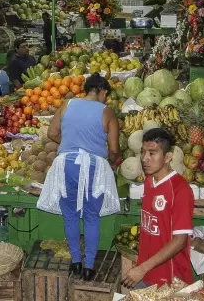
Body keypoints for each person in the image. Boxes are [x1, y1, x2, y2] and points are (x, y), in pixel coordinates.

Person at [37, 73, 121, 281]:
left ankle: (75, 262)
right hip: (94, 167)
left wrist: (72, 143)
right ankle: (89, 267)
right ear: (102, 92)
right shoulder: (107, 112)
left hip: (66, 165)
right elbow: (114, 148)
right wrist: (114, 159)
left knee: (71, 215)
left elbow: (52, 134)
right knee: (92, 217)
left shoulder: (67, 104)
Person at [123, 128, 194, 289]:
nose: (145, 159)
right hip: (146, 273)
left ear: (168, 157)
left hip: (170, 279)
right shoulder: (149, 181)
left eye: (152, 153)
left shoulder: (180, 190)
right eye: (143, 152)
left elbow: (180, 241)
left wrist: (142, 268)